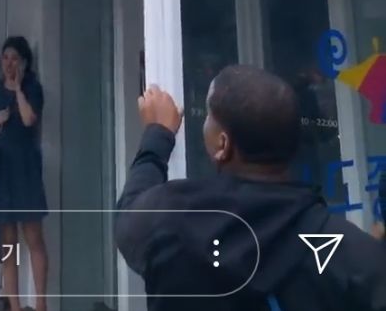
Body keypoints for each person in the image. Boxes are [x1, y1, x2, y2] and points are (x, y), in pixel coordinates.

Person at [116, 67, 386, 310]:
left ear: (223, 145)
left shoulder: (171, 222)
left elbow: (127, 216)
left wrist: (158, 134)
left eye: (208, 116)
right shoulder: (354, 253)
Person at [0, 37, 48, 311]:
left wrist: (18, 89)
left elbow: (30, 119)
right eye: (5, 57)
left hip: (25, 170)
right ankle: (15, 306)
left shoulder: (33, 89)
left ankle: (41, 304)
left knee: (34, 238)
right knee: (8, 244)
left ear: (24, 63)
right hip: (1, 171)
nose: (9, 63)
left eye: (15, 58)